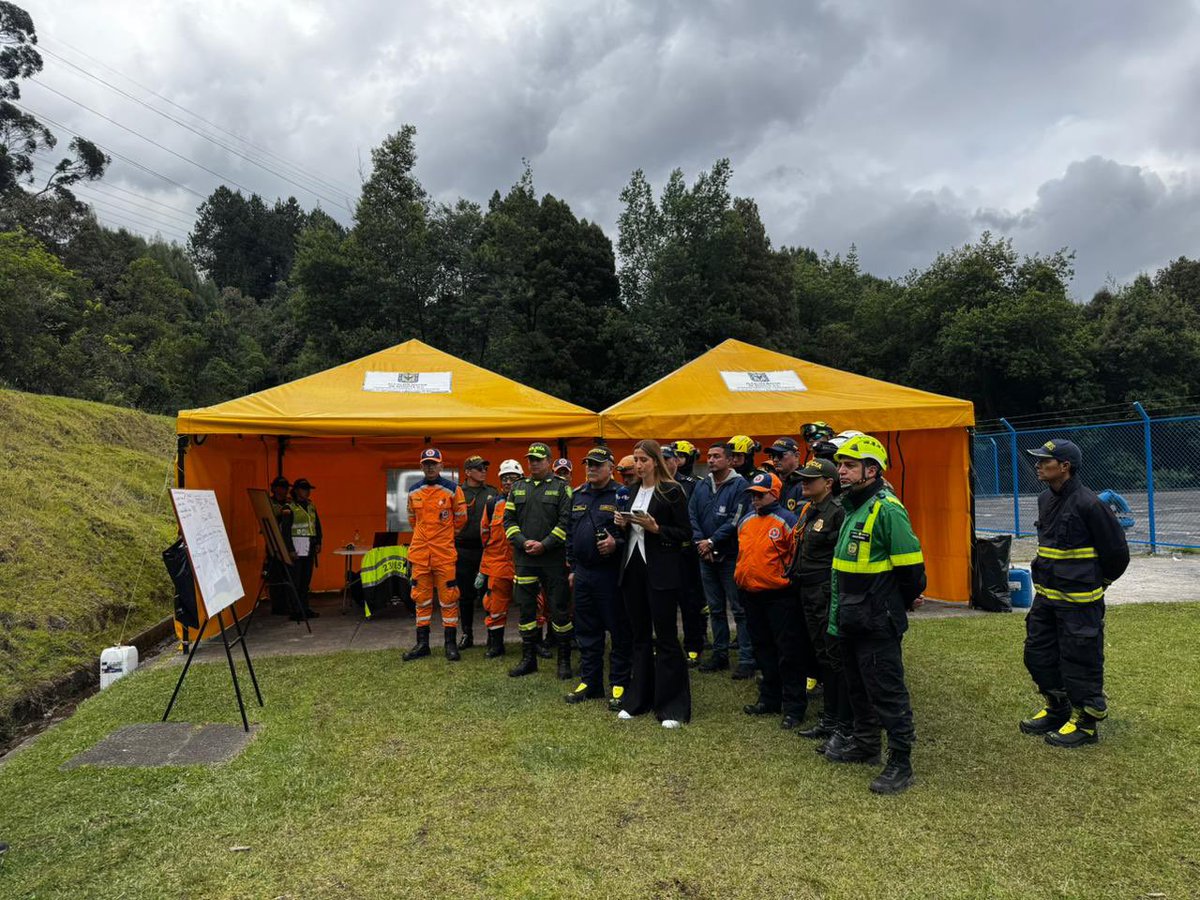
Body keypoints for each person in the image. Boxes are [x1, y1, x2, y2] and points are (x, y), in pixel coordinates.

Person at [828, 435, 924, 795]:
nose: (842, 471)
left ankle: (900, 762)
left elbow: (912, 572)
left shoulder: (887, 510)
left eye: (850, 465)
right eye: (841, 465)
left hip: (876, 622)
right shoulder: (852, 507)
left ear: (872, 470)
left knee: (887, 691)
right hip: (850, 619)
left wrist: (892, 604)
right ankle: (866, 745)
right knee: (857, 687)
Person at [1020, 439, 1129, 747]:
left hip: (1081, 606)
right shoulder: (1045, 499)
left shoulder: (1090, 504)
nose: (1038, 465)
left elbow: (1117, 553)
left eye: (1045, 461)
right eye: (1038, 460)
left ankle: (1085, 723)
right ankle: (1058, 708)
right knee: (1037, 656)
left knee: (1080, 661)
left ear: (1065, 467)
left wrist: (1099, 583)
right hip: (1046, 600)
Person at [613, 440, 692, 727]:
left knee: (667, 637)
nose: (637, 464)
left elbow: (685, 532)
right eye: (635, 459)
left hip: (661, 570)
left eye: (643, 459)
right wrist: (622, 523)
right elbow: (628, 531)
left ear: (655, 462)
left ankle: (672, 706)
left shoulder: (672, 491)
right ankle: (638, 700)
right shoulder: (631, 491)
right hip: (633, 567)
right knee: (640, 635)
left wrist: (656, 528)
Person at [734, 472, 804, 728]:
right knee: (762, 649)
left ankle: (794, 706)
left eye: (760, 495)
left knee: (788, 651)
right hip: (751, 595)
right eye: (753, 494)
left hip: (780, 596)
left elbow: (797, 557)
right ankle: (769, 698)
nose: (755, 499)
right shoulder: (746, 520)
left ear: (774, 494)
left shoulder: (788, 521)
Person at [565, 447, 632, 709]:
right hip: (583, 573)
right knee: (586, 630)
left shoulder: (621, 495)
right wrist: (572, 567)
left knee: (618, 630)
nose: (591, 468)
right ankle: (590, 682)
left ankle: (619, 683)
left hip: (610, 574)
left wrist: (616, 543)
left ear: (610, 467)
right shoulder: (579, 494)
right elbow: (570, 532)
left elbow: (633, 534)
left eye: (597, 464)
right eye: (588, 464)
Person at [788, 458, 849, 747]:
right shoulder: (810, 510)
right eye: (802, 478)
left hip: (824, 592)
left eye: (810, 479)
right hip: (807, 591)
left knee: (833, 657)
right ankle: (830, 717)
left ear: (828, 483)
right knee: (822, 656)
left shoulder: (837, 512)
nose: (804, 483)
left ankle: (837, 720)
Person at [503, 442, 574, 678]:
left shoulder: (562, 488)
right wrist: (523, 542)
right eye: (531, 459)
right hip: (524, 560)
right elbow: (508, 521)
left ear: (549, 461)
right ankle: (529, 658)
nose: (533, 463)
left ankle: (563, 661)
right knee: (525, 611)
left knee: (559, 611)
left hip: (552, 561)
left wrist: (544, 544)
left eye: (538, 459)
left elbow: (566, 524)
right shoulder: (517, 487)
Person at [689, 443, 754, 678]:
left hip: (729, 556)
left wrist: (712, 542)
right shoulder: (702, 485)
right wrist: (700, 543)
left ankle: (747, 658)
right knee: (715, 609)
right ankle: (720, 654)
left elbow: (737, 518)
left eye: (717, 456)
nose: (711, 460)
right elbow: (692, 514)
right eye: (709, 455)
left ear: (729, 460)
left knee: (739, 610)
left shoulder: (740, 486)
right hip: (705, 556)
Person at [768, 436, 821, 694]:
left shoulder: (803, 485)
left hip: (805, 567)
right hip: (788, 567)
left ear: (796, 455)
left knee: (809, 627)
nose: (776, 460)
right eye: (773, 456)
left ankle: (813, 673)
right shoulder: (783, 484)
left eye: (781, 455)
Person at [403, 448, 468, 661]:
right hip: (420, 555)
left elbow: (461, 519)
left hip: (444, 555)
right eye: (426, 463)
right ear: (421, 466)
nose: (430, 467)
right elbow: (413, 520)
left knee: (449, 599)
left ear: (441, 465)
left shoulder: (452, 489)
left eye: (434, 463)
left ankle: (450, 644)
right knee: (421, 599)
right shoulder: (413, 491)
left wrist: (445, 536)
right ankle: (423, 644)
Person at [666, 440, 708, 668]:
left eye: (680, 456)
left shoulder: (695, 484)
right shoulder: (652, 483)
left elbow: (695, 515)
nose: (676, 461)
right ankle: (669, 645)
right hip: (663, 552)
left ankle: (693, 646)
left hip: (686, 551)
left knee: (690, 601)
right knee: (666, 603)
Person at [478, 459, 523, 658]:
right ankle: (496, 645)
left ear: (521, 479)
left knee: (534, 604)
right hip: (497, 564)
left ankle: (535, 643)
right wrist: (483, 569)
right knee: (494, 605)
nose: (507, 482)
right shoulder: (492, 504)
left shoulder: (529, 503)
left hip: (523, 563)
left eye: (512, 478)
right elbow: (485, 536)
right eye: (504, 478)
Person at [455, 455, 498, 650]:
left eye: (484, 467)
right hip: (463, 549)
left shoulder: (492, 492)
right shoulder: (457, 492)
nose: (483, 471)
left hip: (486, 551)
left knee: (489, 594)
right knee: (465, 595)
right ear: (468, 472)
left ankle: (492, 634)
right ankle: (467, 634)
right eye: (478, 468)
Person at [288, 478, 322, 620]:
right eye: (304, 489)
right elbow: (285, 531)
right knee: (297, 579)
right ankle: (296, 611)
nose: (307, 492)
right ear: (296, 490)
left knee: (306, 580)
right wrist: (289, 549)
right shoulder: (289, 508)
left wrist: (319, 541)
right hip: (297, 546)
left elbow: (317, 525)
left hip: (309, 546)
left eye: (308, 489)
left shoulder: (311, 506)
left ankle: (305, 608)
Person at [267, 476, 295, 615]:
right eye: (283, 487)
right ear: (275, 488)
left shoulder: (289, 502)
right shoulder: (269, 502)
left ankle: (288, 603)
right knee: (276, 575)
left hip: (288, 542)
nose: (285, 490)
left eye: (286, 488)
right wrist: (282, 511)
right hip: (274, 542)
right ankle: (278, 605)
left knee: (289, 573)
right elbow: (269, 514)